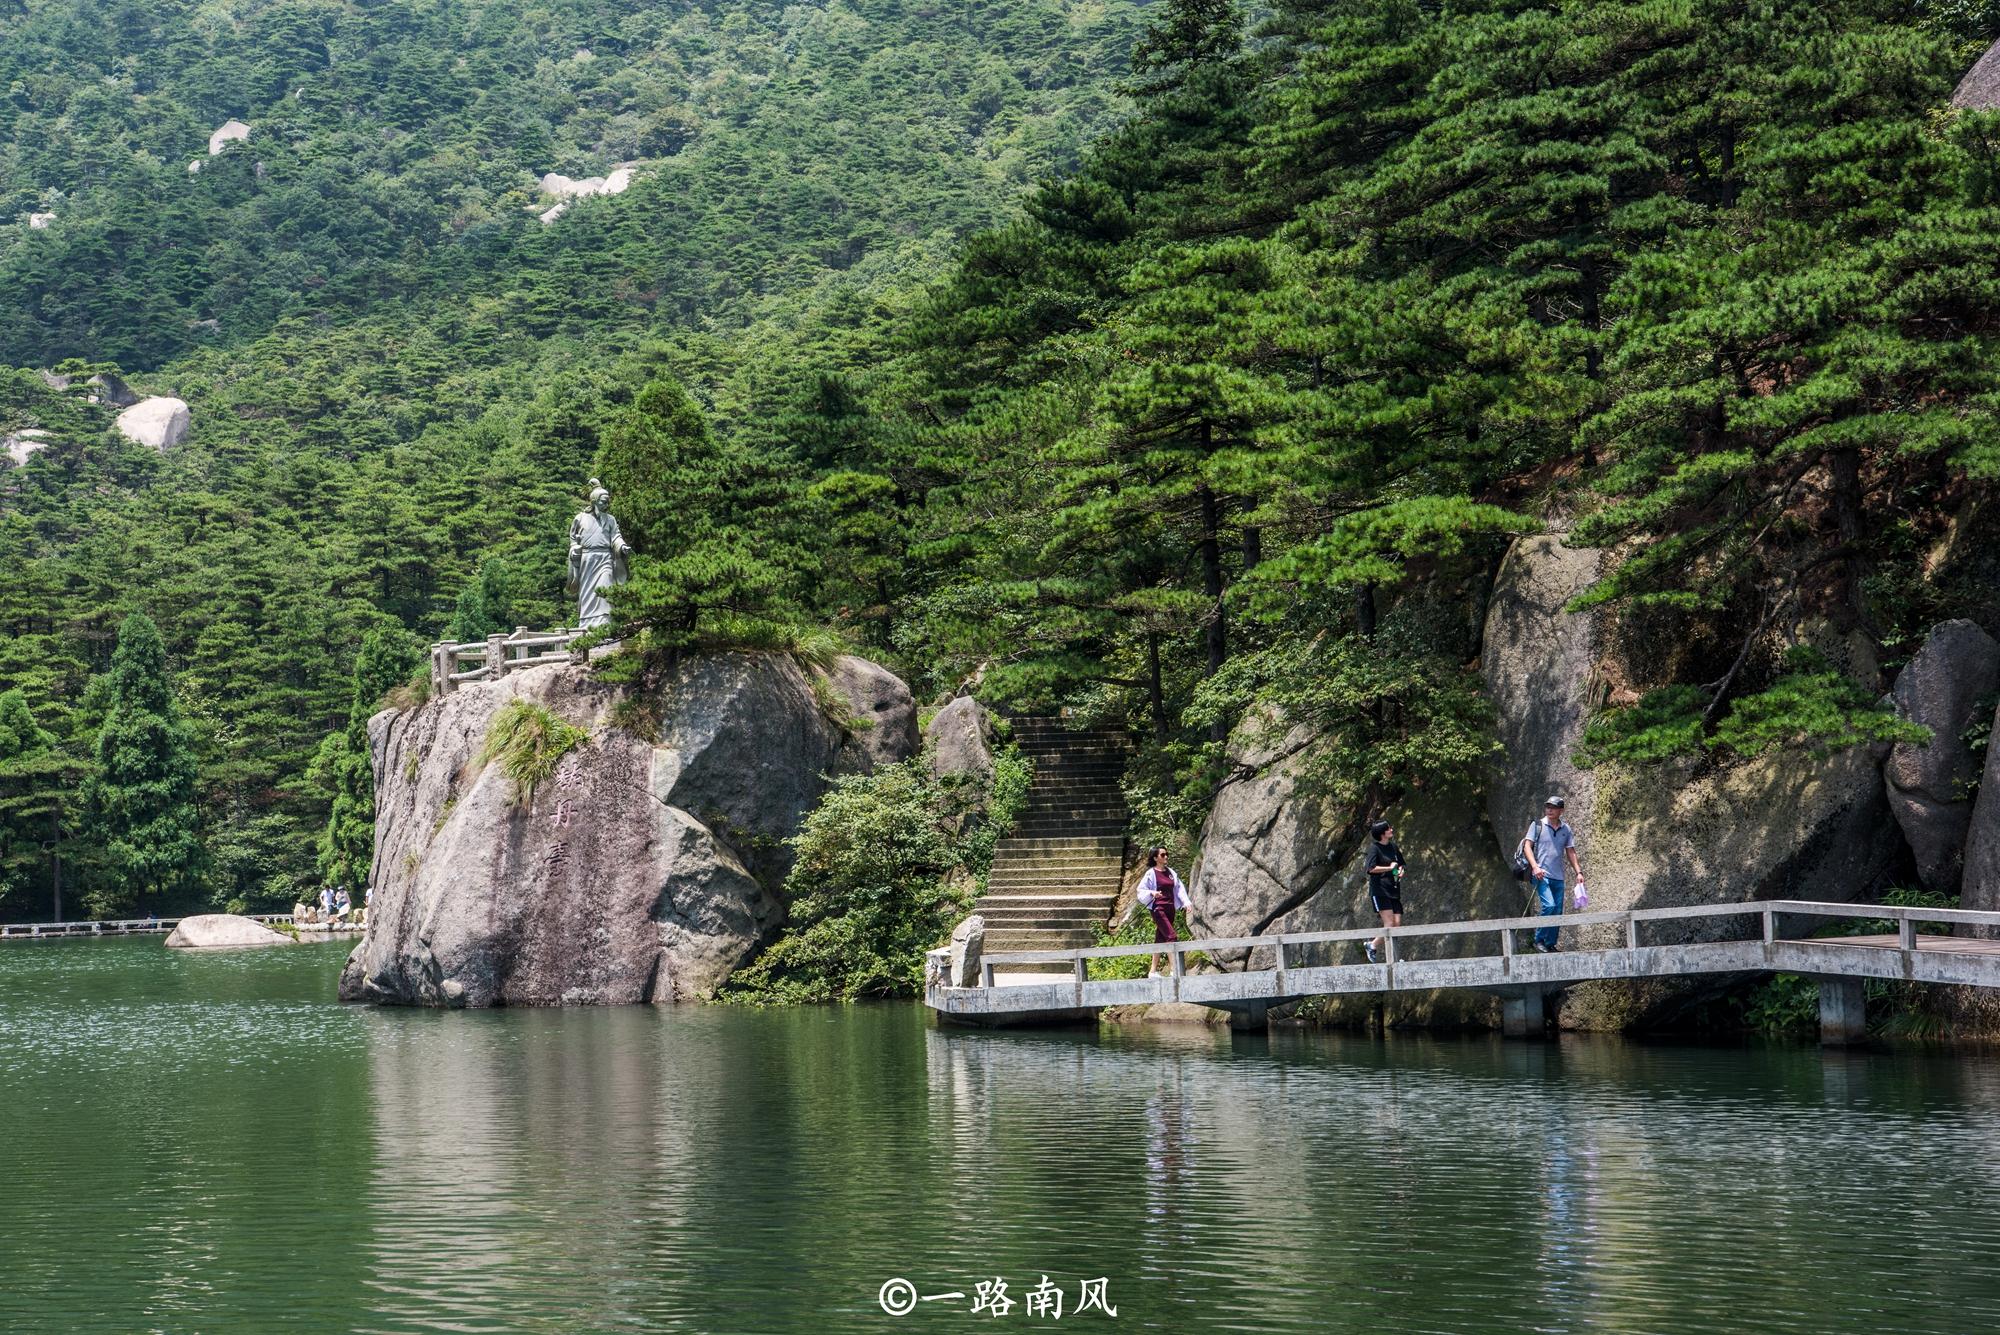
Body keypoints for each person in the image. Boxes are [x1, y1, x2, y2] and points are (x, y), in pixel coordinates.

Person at [566, 479, 634, 631]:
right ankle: (587, 623)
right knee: (588, 592)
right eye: (603, 502)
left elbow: (616, 536)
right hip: (587, 559)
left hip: (605, 559)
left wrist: (622, 546)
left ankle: (605, 622)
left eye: (607, 502)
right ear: (594, 501)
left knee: (606, 585)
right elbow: (573, 539)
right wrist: (575, 548)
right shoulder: (580, 518)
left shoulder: (610, 520)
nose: (606, 505)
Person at [1522, 795, 1584, 952]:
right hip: (1540, 874)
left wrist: (1578, 872)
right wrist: (1535, 867)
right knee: (1549, 905)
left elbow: (1570, 851)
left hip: (1558, 876)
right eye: (1548, 807)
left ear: (1561, 811)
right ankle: (1538, 940)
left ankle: (1550, 943)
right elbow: (1527, 846)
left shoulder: (1566, 829)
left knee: (1557, 911)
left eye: (1553, 807)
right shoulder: (1537, 825)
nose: (1549, 810)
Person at [1136, 847, 1189, 978]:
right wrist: (1152, 893)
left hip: (1170, 908)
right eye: (1163, 855)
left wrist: (1186, 902)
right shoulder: (1151, 873)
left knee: (1160, 938)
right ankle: (1174, 970)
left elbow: (1179, 888)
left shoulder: (1171, 872)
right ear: (1155, 858)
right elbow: (1141, 890)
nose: (1166, 857)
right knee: (1171, 936)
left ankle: (1152, 972)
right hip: (1158, 909)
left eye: (1167, 854)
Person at [1361, 819, 1405, 964]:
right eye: (1388, 828)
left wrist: (1400, 871)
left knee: (1396, 924)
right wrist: (1389, 868)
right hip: (1380, 890)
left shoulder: (1393, 847)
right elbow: (1371, 868)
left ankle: (1378, 949)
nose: (1391, 829)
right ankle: (1373, 946)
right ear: (1382, 833)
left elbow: (1400, 864)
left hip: (1394, 889)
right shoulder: (1375, 848)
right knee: (1389, 924)